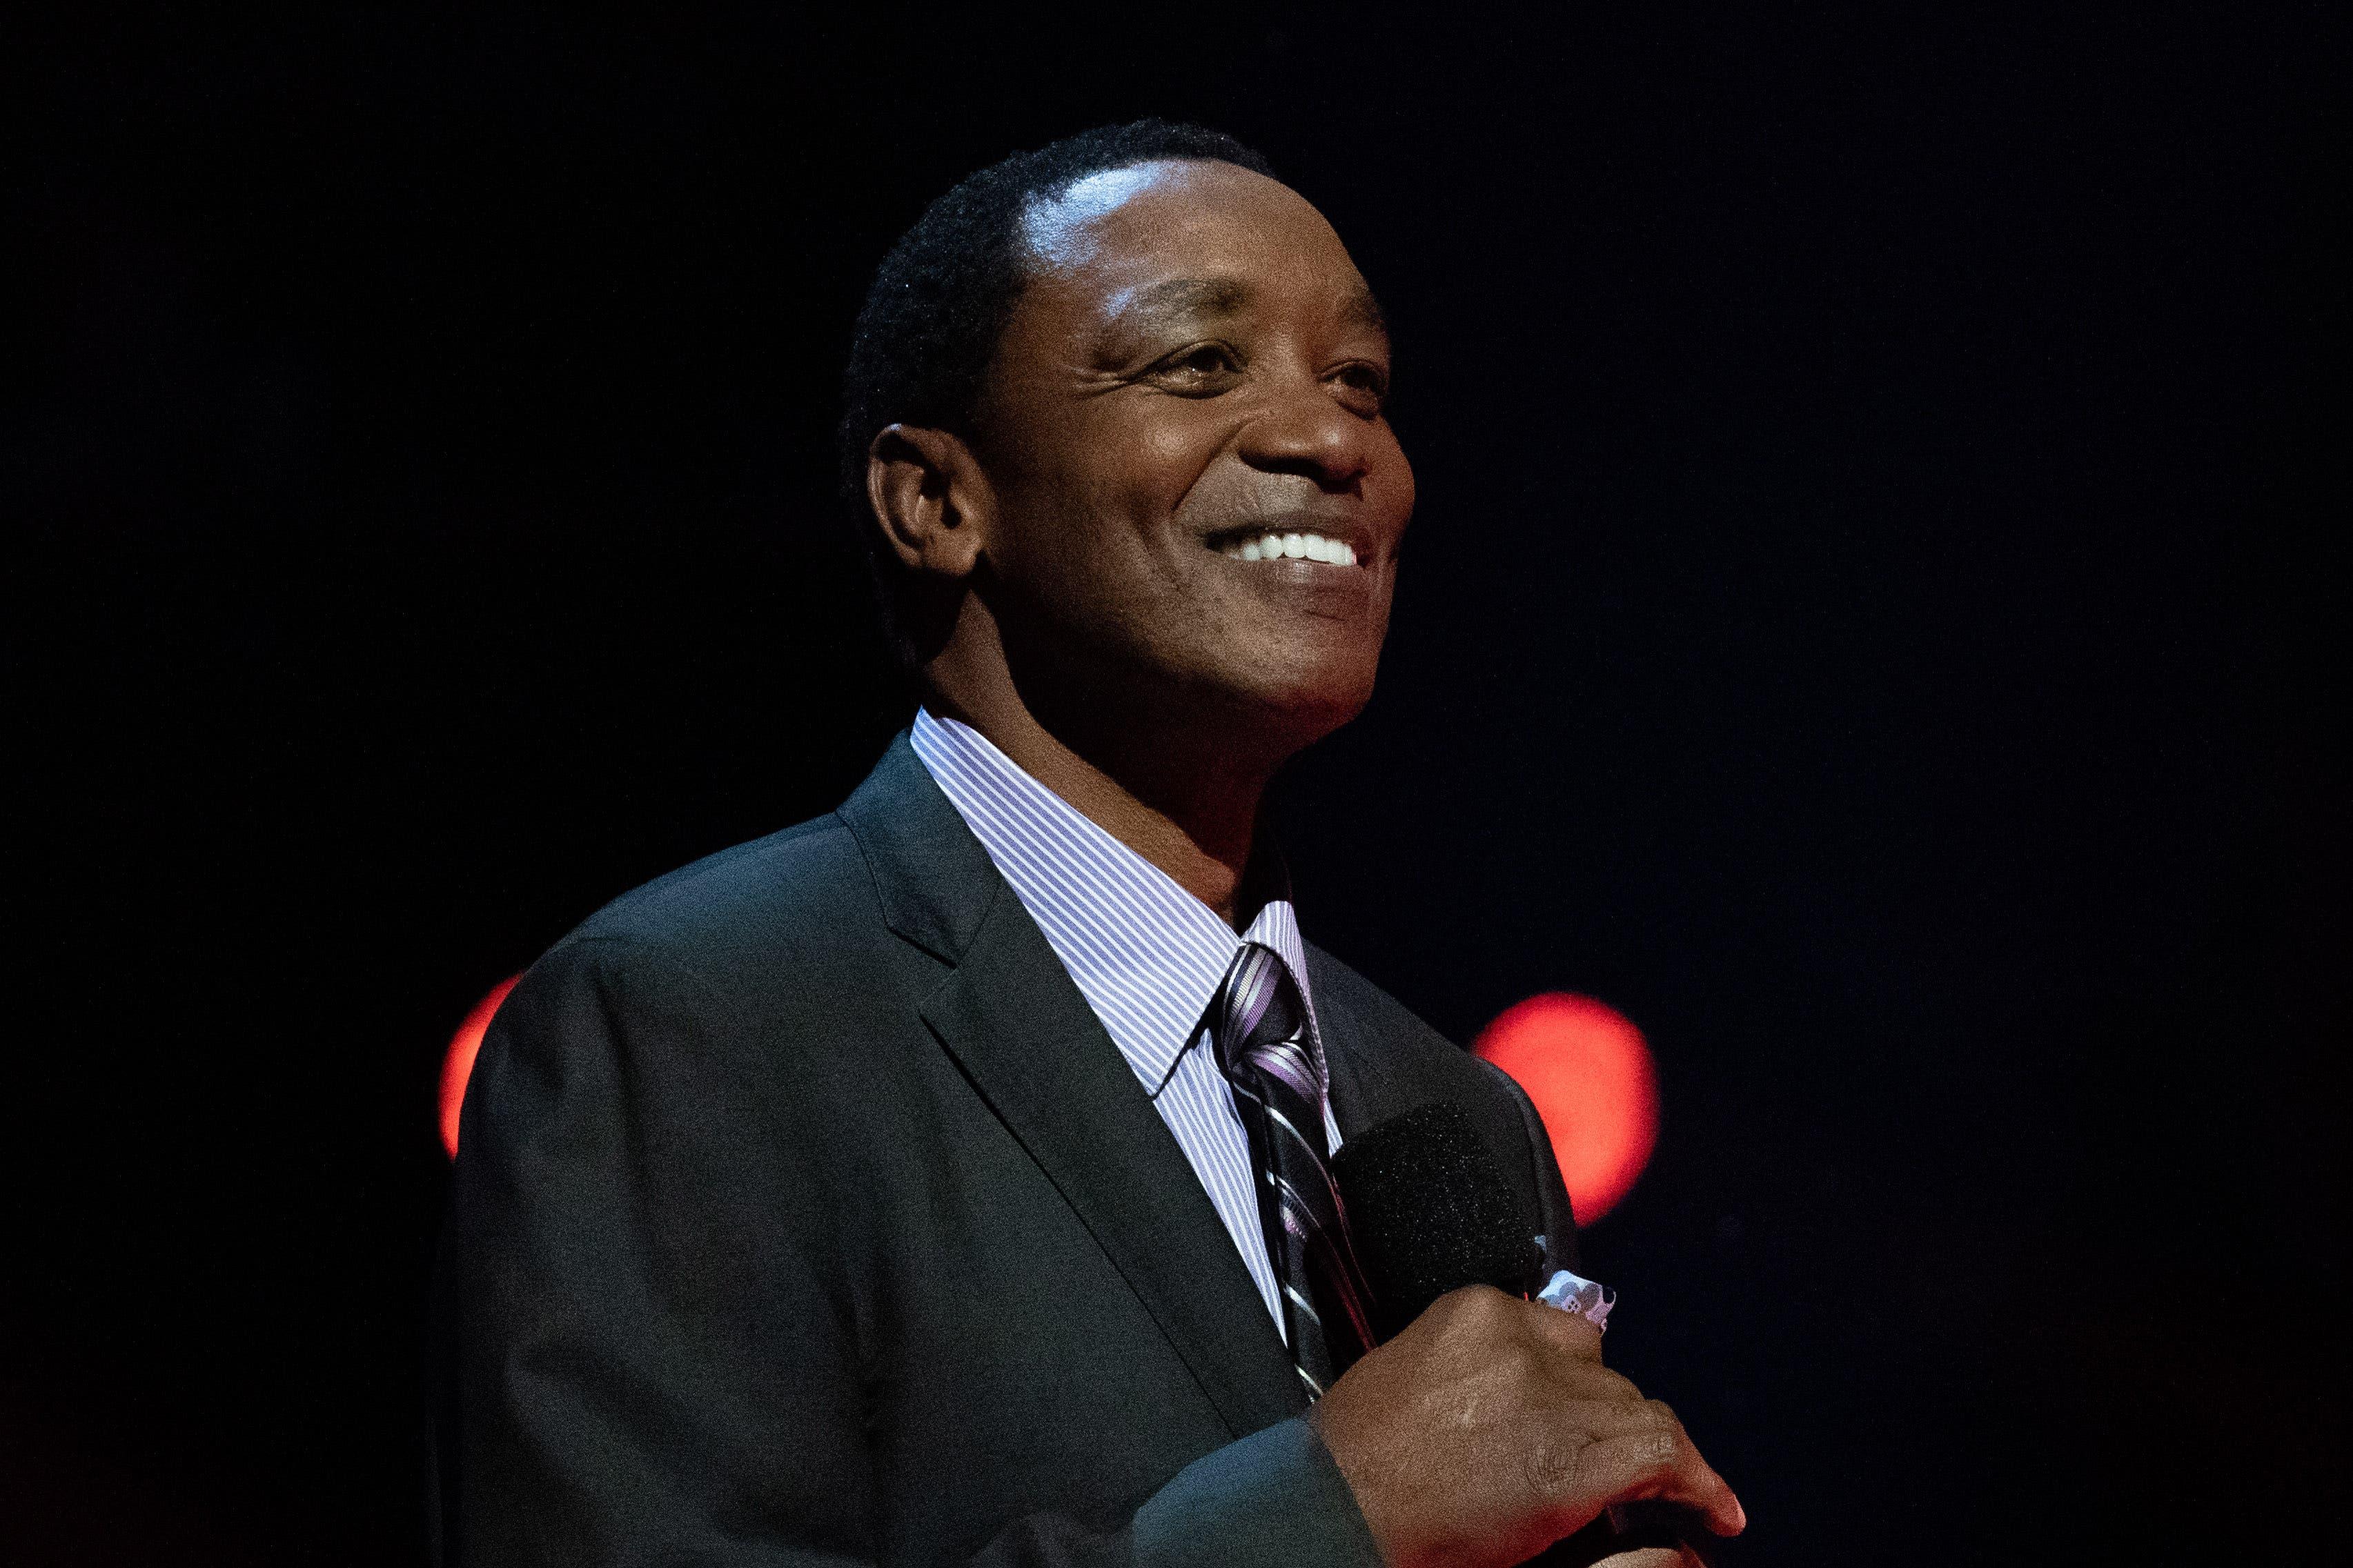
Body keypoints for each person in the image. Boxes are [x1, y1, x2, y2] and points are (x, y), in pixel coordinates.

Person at [431, 120, 1744, 1568]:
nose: (1331, 439)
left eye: (1360, 382)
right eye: (1198, 364)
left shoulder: (1453, 1109)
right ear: (938, 501)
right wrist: (1327, 1517)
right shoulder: (691, 1019)